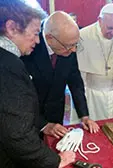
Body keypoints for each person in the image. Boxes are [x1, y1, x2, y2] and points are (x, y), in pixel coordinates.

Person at [0, 0, 75, 167]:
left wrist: (42, 125)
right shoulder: (8, 65)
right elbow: (17, 135)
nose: (38, 40)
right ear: (12, 28)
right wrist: (55, 161)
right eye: (35, 33)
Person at [21, 11, 99, 139]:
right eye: (70, 46)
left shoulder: (67, 44)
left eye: (75, 45)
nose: (73, 50)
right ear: (50, 37)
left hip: (56, 113)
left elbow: (75, 83)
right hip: (30, 118)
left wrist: (84, 115)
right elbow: (19, 97)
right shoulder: (28, 47)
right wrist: (43, 124)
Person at [77, 3, 113, 120]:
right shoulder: (83, 35)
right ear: (100, 21)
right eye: (110, 28)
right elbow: (78, 72)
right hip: (91, 94)